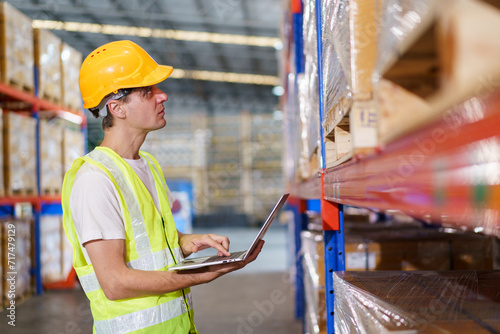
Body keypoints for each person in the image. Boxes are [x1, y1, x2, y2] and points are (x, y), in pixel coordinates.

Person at [61, 40, 264, 334]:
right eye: (148, 92)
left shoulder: (149, 166)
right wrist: (201, 275)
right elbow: (115, 283)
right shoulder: (95, 180)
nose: (163, 95)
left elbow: (150, 243)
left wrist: (188, 242)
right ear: (117, 108)